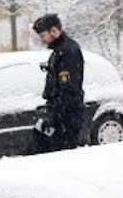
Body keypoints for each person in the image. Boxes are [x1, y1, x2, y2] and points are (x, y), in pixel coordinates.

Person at [27, 13, 85, 155]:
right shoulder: (57, 52)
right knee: (33, 151)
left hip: (65, 119)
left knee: (56, 159)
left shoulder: (69, 52)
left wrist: (55, 117)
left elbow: (70, 90)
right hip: (55, 113)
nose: (43, 39)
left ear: (54, 31)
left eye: (43, 35)